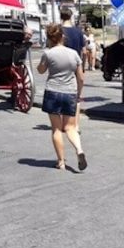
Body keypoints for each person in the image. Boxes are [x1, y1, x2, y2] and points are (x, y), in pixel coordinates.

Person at [37, 24, 87, 172]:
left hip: (53, 91)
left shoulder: (48, 54)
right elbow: (81, 77)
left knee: (57, 129)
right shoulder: (73, 54)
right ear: (62, 36)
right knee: (70, 127)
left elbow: (41, 70)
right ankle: (79, 150)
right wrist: (78, 93)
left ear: (50, 38)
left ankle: (61, 162)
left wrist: (42, 64)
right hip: (70, 91)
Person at [60, 8, 85, 133]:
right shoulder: (78, 32)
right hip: (76, 65)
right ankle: (76, 126)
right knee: (77, 97)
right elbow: (84, 51)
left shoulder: (58, 31)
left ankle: (65, 123)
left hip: (60, 66)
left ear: (61, 17)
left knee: (62, 93)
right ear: (71, 17)